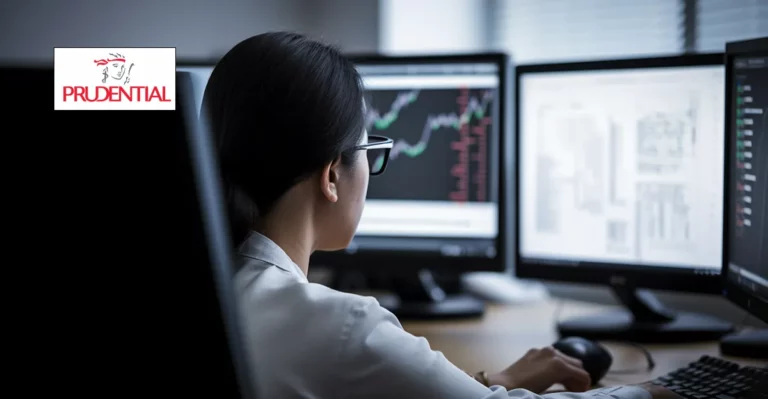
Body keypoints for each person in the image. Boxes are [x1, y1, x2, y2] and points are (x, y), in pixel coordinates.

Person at [202, 31, 679, 399]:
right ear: (331, 175)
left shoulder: (229, 294)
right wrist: (650, 393)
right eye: (370, 149)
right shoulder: (341, 326)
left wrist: (496, 380)